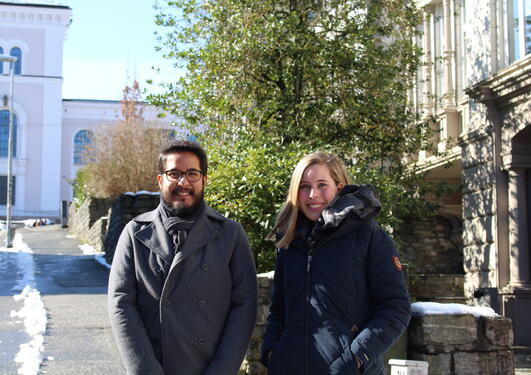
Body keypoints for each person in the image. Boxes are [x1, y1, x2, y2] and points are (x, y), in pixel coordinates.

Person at [108, 140, 258, 375]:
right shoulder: (135, 232)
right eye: (174, 173)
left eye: (192, 174)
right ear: (160, 180)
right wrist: (145, 370)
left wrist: (222, 370)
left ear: (204, 180)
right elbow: (121, 304)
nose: (183, 182)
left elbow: (244, 305)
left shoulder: (231, 234)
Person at [260, 152, 411, 375]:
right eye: (304, 186)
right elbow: (279, 311)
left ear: (339, 187)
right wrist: (273, 352)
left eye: (322, 185)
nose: (313, 195)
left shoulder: (369, 237)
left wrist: (356, 358)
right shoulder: (289, 243)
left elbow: (396, 308)